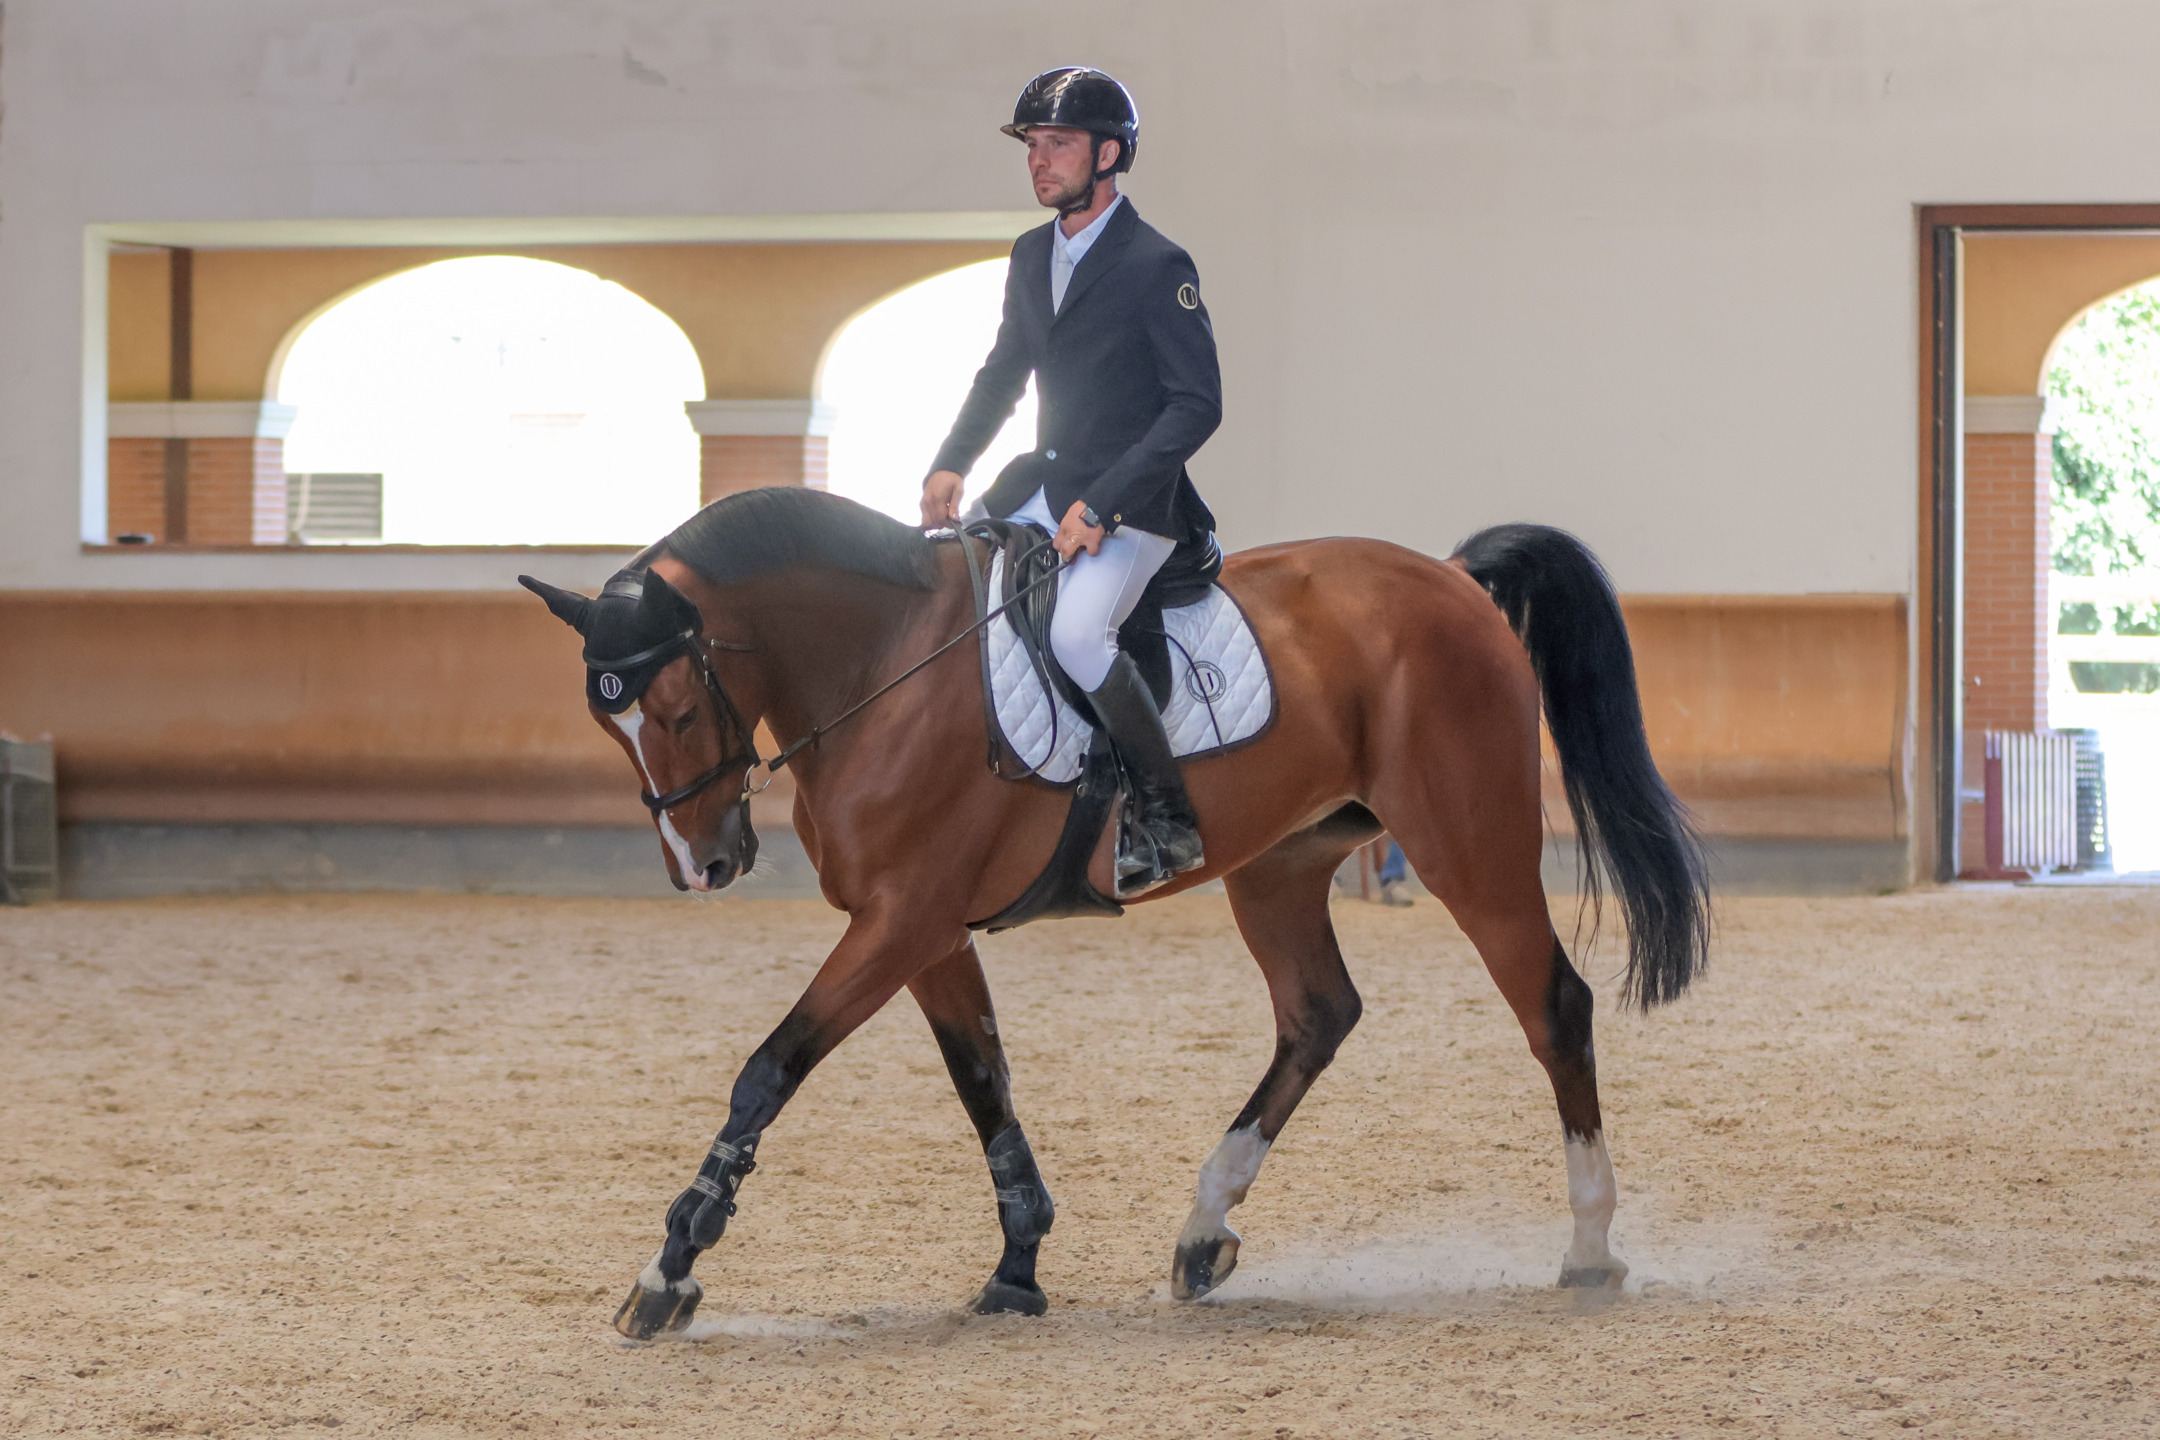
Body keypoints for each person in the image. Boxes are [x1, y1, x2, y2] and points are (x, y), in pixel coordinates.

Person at [921, 67, 1222, 898]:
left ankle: (1166, 817)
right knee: (938, 586)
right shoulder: (1030, 254)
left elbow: (1197, 406)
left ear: (1110, 153)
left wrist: (1106, 504)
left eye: (1056, 144)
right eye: (1033, 146)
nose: (1038, 161)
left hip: (1133, 505)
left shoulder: (1158, 263)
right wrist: (953, 460)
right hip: (1041, 483)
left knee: (1079, 638)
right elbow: (1003, 374)